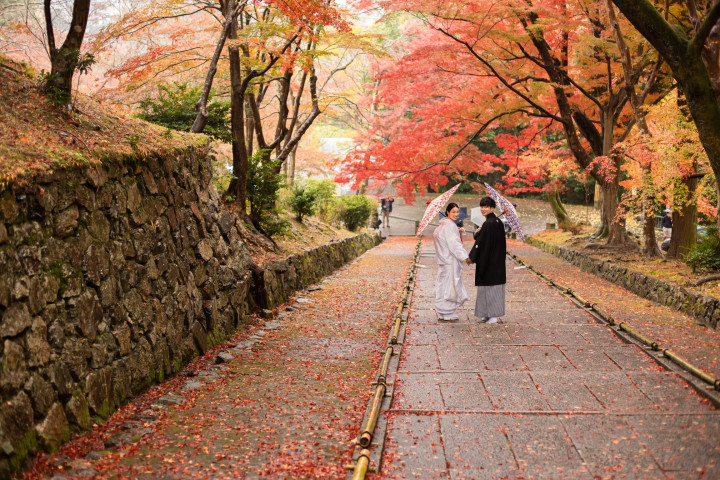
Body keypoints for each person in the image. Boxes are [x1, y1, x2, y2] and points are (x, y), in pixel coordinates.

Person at [466, 196, 506, 324]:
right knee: (488, 288)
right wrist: (478, 232)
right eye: (482, 206)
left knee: (491, 288)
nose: (483, 209)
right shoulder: (496, 222)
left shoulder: (489, 223)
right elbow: (482, 238)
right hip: (495, 261)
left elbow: (481, 243)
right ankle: (487, 314)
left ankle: (493, 315)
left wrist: (472, 257)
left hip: (490, 261)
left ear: (492, 208)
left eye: (486, 207)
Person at [433, 203, 469, 321]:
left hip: (443, 261)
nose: (456, 214)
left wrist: (457, 230)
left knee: (443, 284)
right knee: (451, 285)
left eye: (457, 212)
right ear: (447, 212)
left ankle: (443, 311)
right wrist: (465, 257)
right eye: (453, 212)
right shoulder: (450, 226)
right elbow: (454, 245)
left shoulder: (442, 226)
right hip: (450, 260)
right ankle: (447, 311)